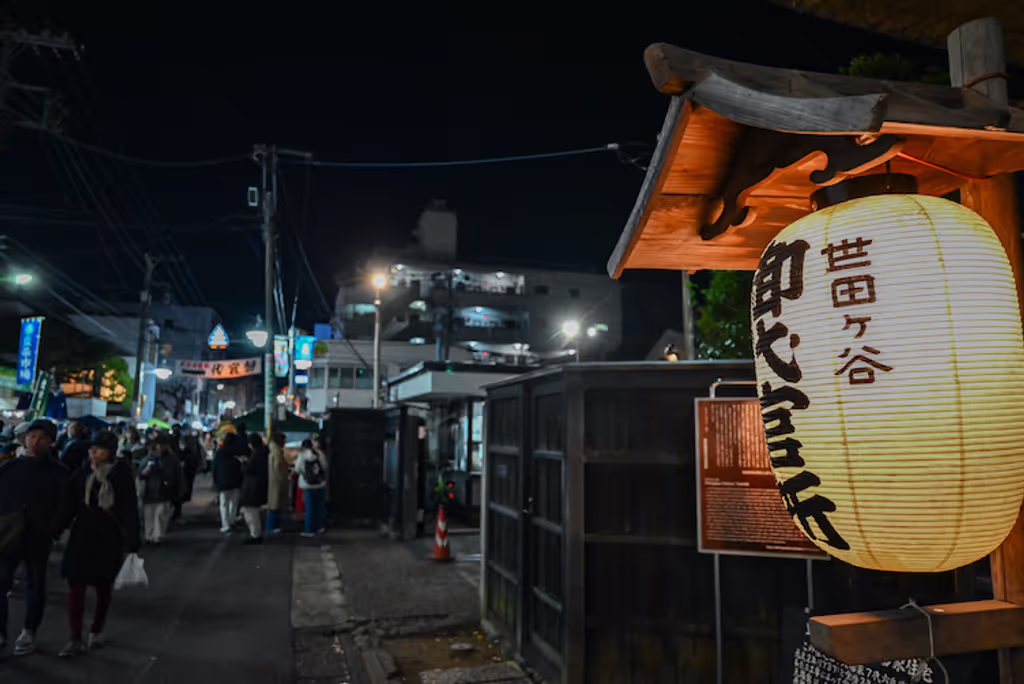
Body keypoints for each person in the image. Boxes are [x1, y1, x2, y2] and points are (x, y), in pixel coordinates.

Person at [59, 430, 140, 657]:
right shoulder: (81, 474)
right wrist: (56, 527)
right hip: (82, 534)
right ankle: (75, 637)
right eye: (91, 448)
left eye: (99, 448)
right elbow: (69, 505)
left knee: (103, 587)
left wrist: (132, 541)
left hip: (108, 536)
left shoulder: (121, 476)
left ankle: (96, 631)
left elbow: (129, 510)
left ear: (110, 452)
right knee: (76, 587)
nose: (93, 452)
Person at [0, 420, 69, 655]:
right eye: (32, 436)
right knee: (1, 583)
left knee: (35, 586)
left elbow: (65, 507)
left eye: (41, 437)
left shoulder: (59, 473)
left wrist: (52, 529)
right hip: (7, 536)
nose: (35, 441)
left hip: (38, 538)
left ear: (51, 441)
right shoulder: (9, 468)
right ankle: (1, 633)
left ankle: (29, 630)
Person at [138, 436, 178, 545]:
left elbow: (175, 474)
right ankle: (149, 536)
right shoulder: (147, 460)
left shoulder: (170, 459)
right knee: (150, 515)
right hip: (149, 491)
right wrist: (146, 471)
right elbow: (140, 474)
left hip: (163, 490)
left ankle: (157, 536)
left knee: (160, 514)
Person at [293, 440, 328, 537]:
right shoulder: (320, 453)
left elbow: (297, 469)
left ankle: (309, 529)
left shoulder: (302, 455)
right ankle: (320, 526)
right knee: (320, 507)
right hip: (319, 484)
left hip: (307, 484)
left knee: (309, 508)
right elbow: (325, 466)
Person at [239, 434, 268, 544]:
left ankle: (255, 534)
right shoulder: (263, 453)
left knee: (251, 512)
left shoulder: (256, 454)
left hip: (252, 487)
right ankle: (256, 533)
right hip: (259, 486)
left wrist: (243, 463)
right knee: (253, 511)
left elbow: (248, 470)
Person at [213, 433, 244, 533]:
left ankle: (225, 525)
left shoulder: (219, 452)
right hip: (235, 480)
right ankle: (231, 521)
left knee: (223, 504)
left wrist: (215, 481)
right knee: (234, 503)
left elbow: (215, 467)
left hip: (223, 481)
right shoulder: (237, 452)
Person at [265, 433, 289, 534]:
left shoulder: (273, 450)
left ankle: (271, 525)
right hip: (277, 481)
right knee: (275, 505)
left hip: (273, 481)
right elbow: (278, 466)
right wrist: (283, 478)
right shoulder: (277, 452)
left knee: (274, 504)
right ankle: (272, 526)